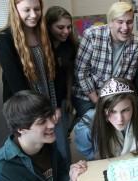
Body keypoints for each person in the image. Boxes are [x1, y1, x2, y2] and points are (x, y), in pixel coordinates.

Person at [0, 0, 70, 168]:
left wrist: (56, 106)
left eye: (37, 9)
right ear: (15, 10)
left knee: (59, 149)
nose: (33, 14)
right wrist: (40, 116)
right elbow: (17, 84)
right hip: (27, 110)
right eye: (26, 10)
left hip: (50, 104)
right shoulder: (5, 39)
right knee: (36, 154)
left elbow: (55, 72)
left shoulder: (43, 34)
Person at [0, 90, 87, 181]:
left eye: (51, 116)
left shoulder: (46, 143)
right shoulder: (1, 170)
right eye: (42, 121)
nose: (52, 124)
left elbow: (59, 175)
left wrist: (71, 178)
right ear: (21, 129)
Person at [72, 1, 138, 117]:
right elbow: (81, 73)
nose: (125, 28)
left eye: (129, 22)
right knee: (98, 123)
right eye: (120, 22)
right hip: (87, 95)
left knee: (131, 118)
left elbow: (128, 77)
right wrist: (98, 102)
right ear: (110, 22)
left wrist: (115, 102)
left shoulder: (136, 43)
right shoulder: (91, 35)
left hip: (115, 95)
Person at [45, 5, 78, 169]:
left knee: (62, 139)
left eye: (69, 27)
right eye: (60, 27)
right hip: (44, 101)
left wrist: (68, 98)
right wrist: (52, 106)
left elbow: (69, 73)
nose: (66, 31)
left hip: (62, 98)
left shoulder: (70, 46)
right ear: (49, 25)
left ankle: (68, 173)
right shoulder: (41, 47)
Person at [88, 78, 138, 160]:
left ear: (134, 107)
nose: (120, 119)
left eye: (126, 110)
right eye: (112, 111)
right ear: (102, 110)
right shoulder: (87, 128)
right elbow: (90, 158)